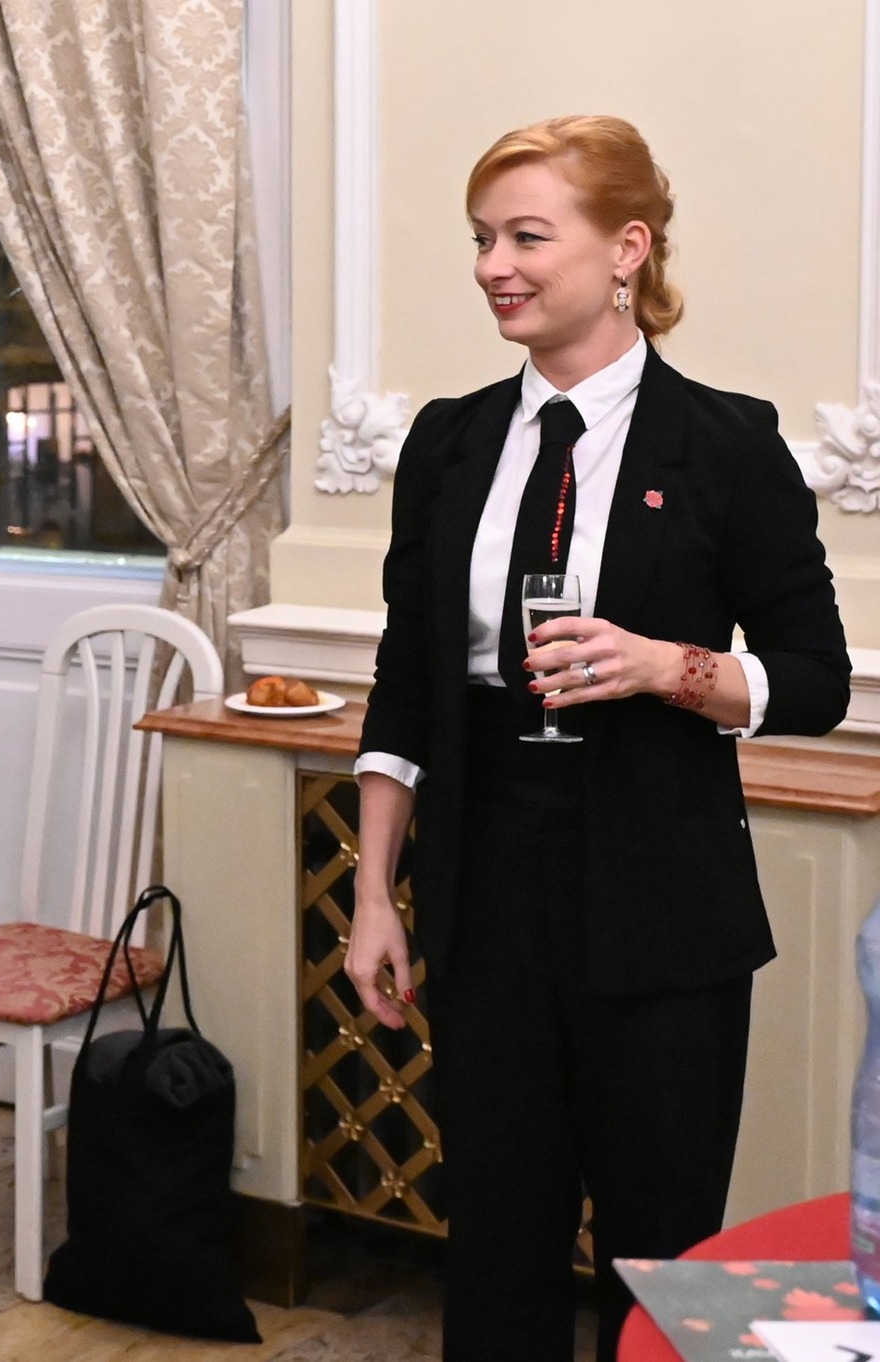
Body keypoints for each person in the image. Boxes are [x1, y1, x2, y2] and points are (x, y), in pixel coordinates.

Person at [343, 115, 850, 1362]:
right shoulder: (446, 441)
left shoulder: (726, 443)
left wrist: (664, 666)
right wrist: (371, 896)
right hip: (482, 891)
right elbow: (405, 682)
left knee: (660, 1250)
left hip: (661, 899)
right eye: (479, 239)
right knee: (494, 1238)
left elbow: (817, 680)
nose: (491, 267)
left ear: (626, 248)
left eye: (525, 237)